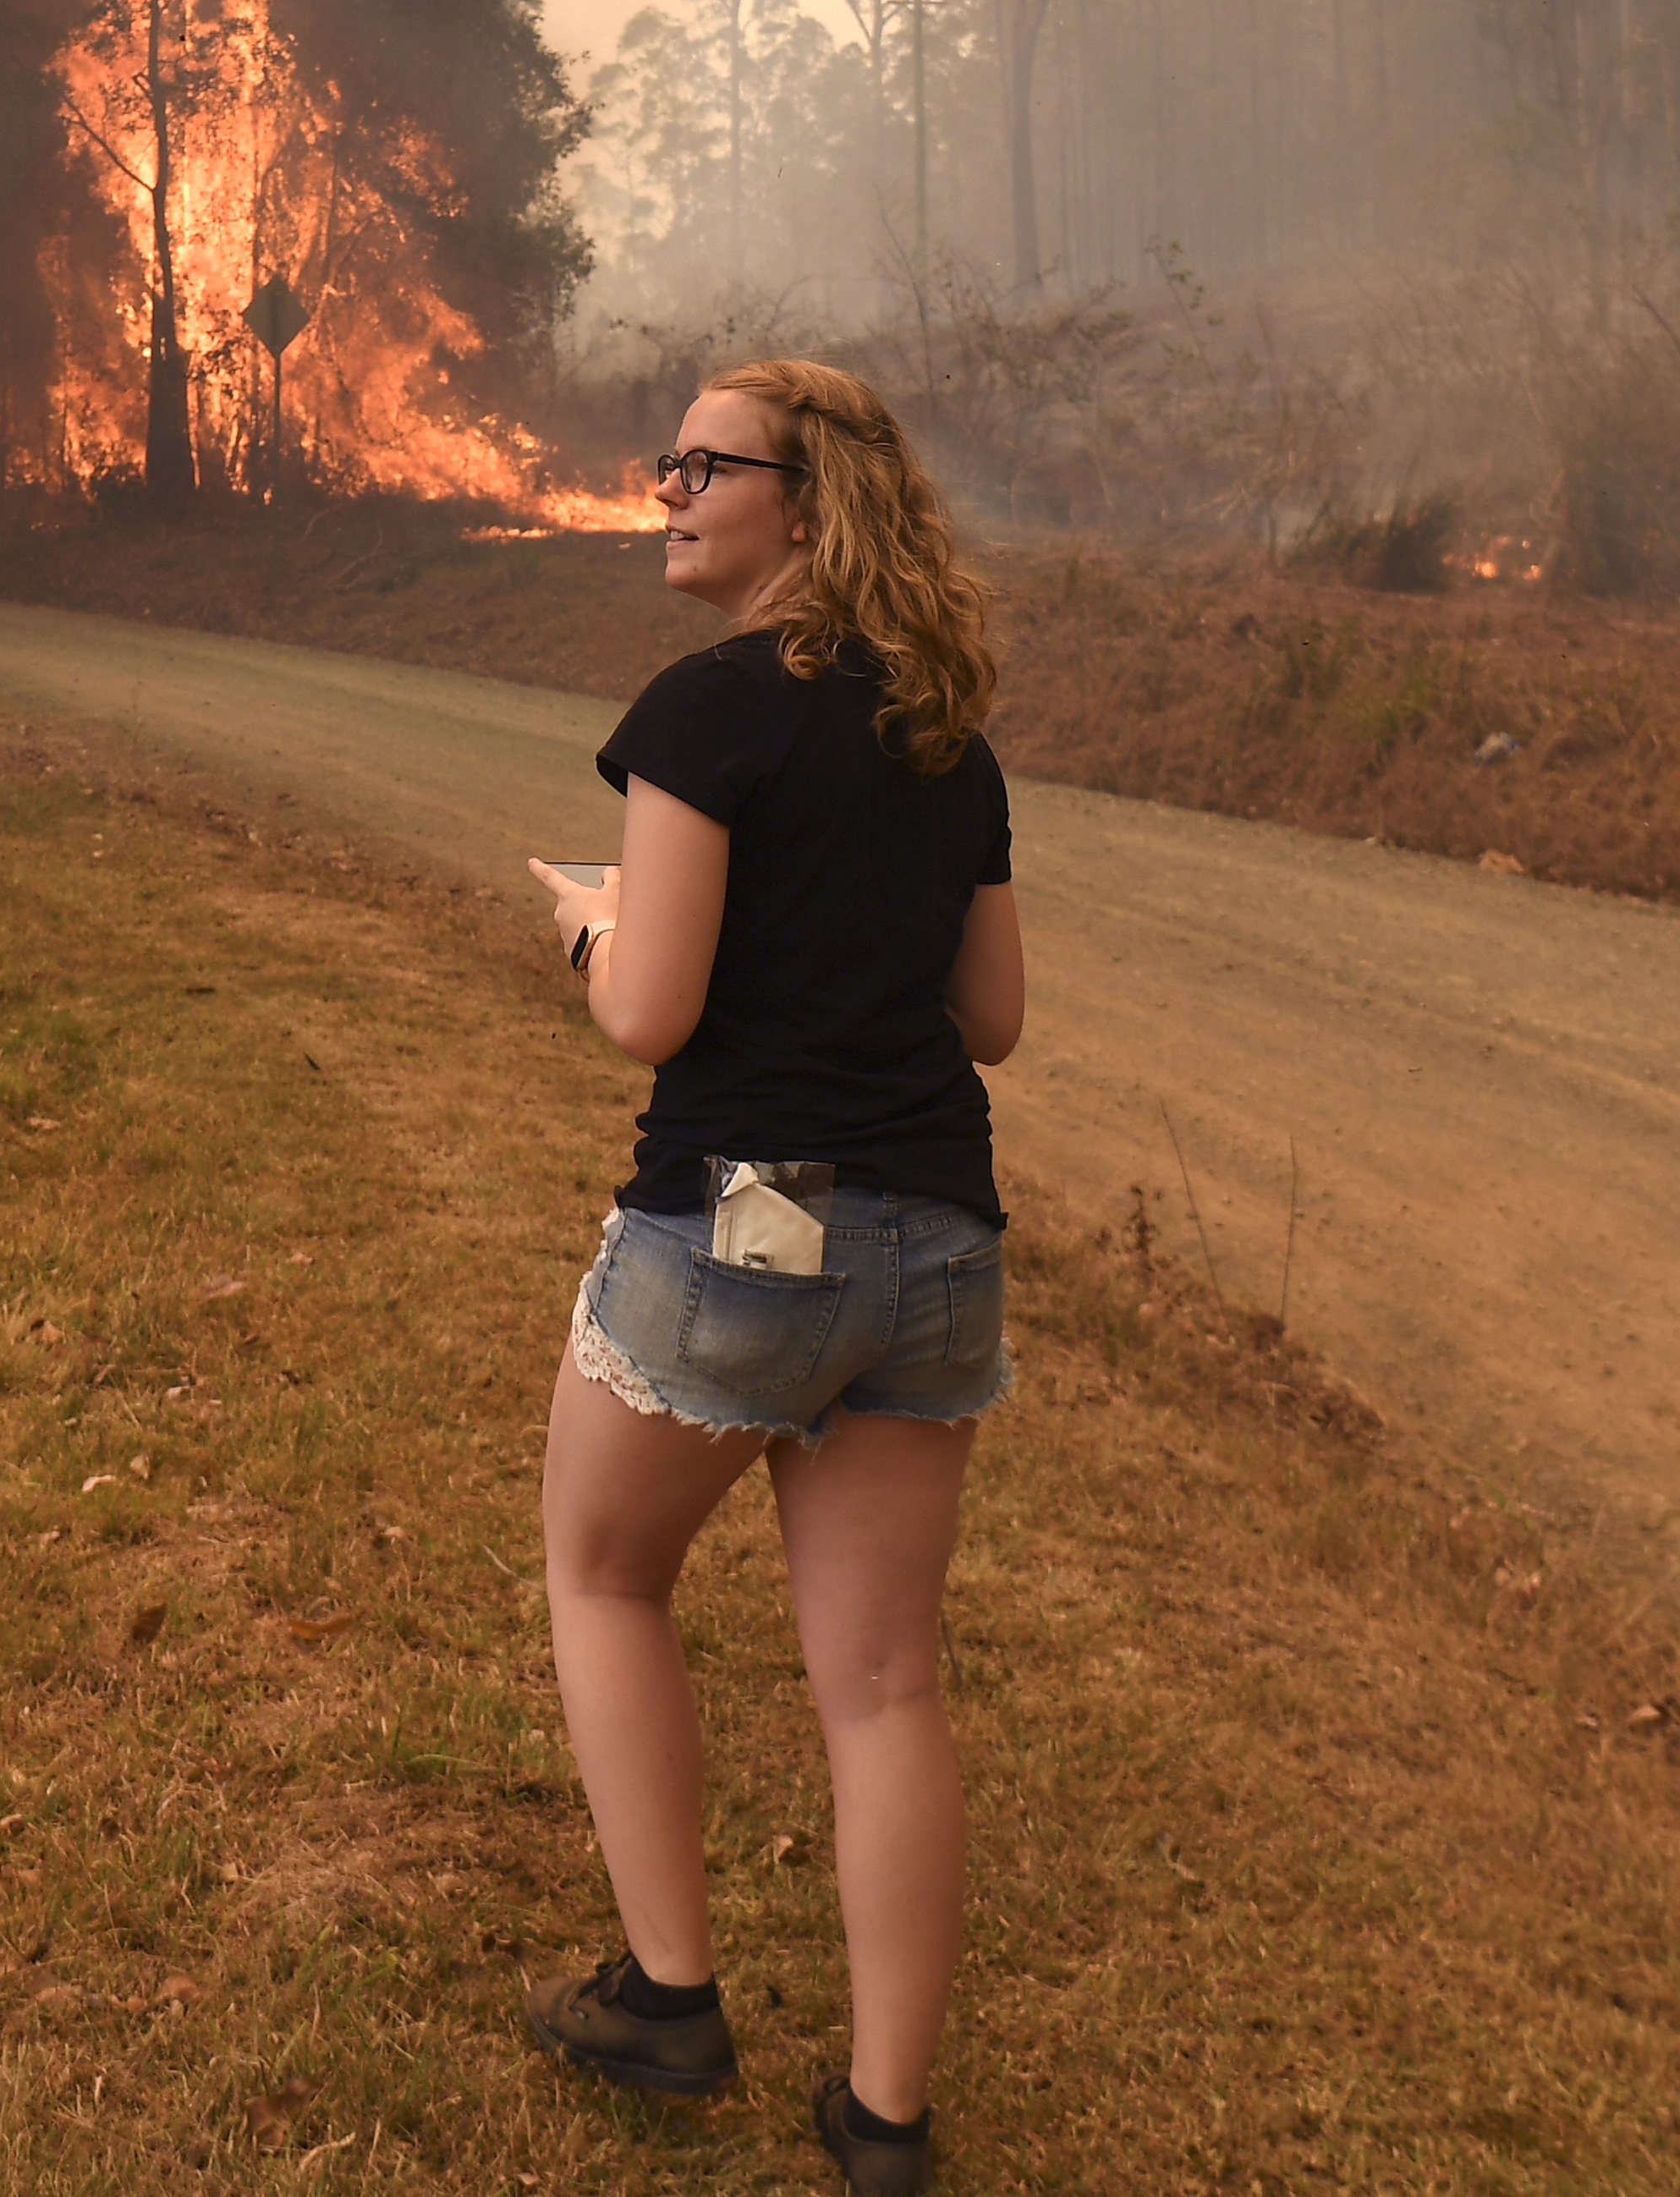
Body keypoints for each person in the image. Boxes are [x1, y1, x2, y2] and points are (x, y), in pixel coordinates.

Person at [517, 359, 1026, 2197]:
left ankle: (669, 1997)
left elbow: (649, 1007)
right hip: (935, 1250)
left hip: (742, 1231)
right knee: (884, 1683)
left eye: (697, 465)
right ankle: (884, 2120)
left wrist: (588, 921)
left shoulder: (705, 713)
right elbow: (992, 1016)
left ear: (797, 501)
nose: (664, 488)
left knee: (601, 1570)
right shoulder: (939, 732)